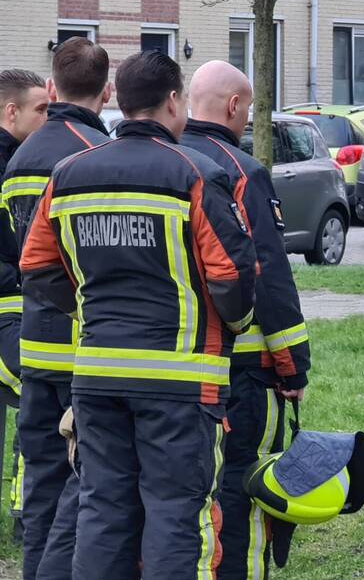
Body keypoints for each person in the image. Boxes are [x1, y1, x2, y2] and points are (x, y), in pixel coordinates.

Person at [20, 50, 257, 579]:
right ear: (174, 102)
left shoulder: (68, 174)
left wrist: (89, 308)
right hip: (180, 382)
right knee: (176, 516)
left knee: (102, 511)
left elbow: (35, 267)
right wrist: (232, 325)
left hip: (97, 374)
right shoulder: (197, 174)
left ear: (121, 102)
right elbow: (232, 280)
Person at [181, 60, 311, 578]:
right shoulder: (241, 171)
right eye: (250, 108)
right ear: (235, 106)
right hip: (242, 371)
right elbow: (269, 279)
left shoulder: (161, 161)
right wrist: (293, 368)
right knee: (243, 485)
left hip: (169, 367)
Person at [2, 39, 111, 580]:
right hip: (82, 345)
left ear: (51, 89)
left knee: (42, 475)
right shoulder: (94, 152)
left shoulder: (21, 155)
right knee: (86, 478)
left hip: (33, 341)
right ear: (107, 91)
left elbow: (19, 257)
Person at [0, 69, 49, 542]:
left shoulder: (19, 158)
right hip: (9, 308)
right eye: (41, 109)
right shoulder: (11, 166)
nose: (48, 118)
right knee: (37, 393)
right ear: (11, 111)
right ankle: (24, 514)